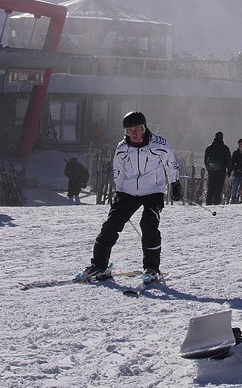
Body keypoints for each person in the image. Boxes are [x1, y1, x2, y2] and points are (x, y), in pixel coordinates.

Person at [76, 111, 181, 283]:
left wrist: (175, 183)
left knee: (148, 225)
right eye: (129, 130)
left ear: (144, 128)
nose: (134, 133)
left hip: (153, 191)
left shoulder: (159, 144)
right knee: (110, 226)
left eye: (137, 129)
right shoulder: (122, 148)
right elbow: (118, 171)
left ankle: (152, 268)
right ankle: (99, 266)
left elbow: (171, 162)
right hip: (129, 192)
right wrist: (119, 191)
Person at [204, 131, 232, 205]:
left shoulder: (209, 148)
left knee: (210, 187)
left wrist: (208, 168)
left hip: (211, 171)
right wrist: (229, 171)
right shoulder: (224, 148)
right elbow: (228, 160)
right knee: (218, 188)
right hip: (221, 171)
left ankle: (208, 202)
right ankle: (216, 202)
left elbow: (206, 159)